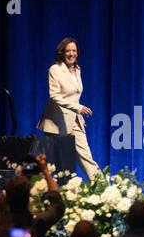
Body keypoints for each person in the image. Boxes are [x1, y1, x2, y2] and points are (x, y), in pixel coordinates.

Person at [37, 37, 101, 181]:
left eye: (74, 50)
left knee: (86, 156)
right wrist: (78, 107)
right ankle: (49, 192)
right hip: (57, 121)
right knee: (56, 163)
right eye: (68, 51)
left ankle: (101, 188)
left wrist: (77, 111)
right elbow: (54, 96)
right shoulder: (55, 70)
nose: (71, 54)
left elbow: (74, 95)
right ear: (62, 53)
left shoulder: (77, 70)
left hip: (74, 120)